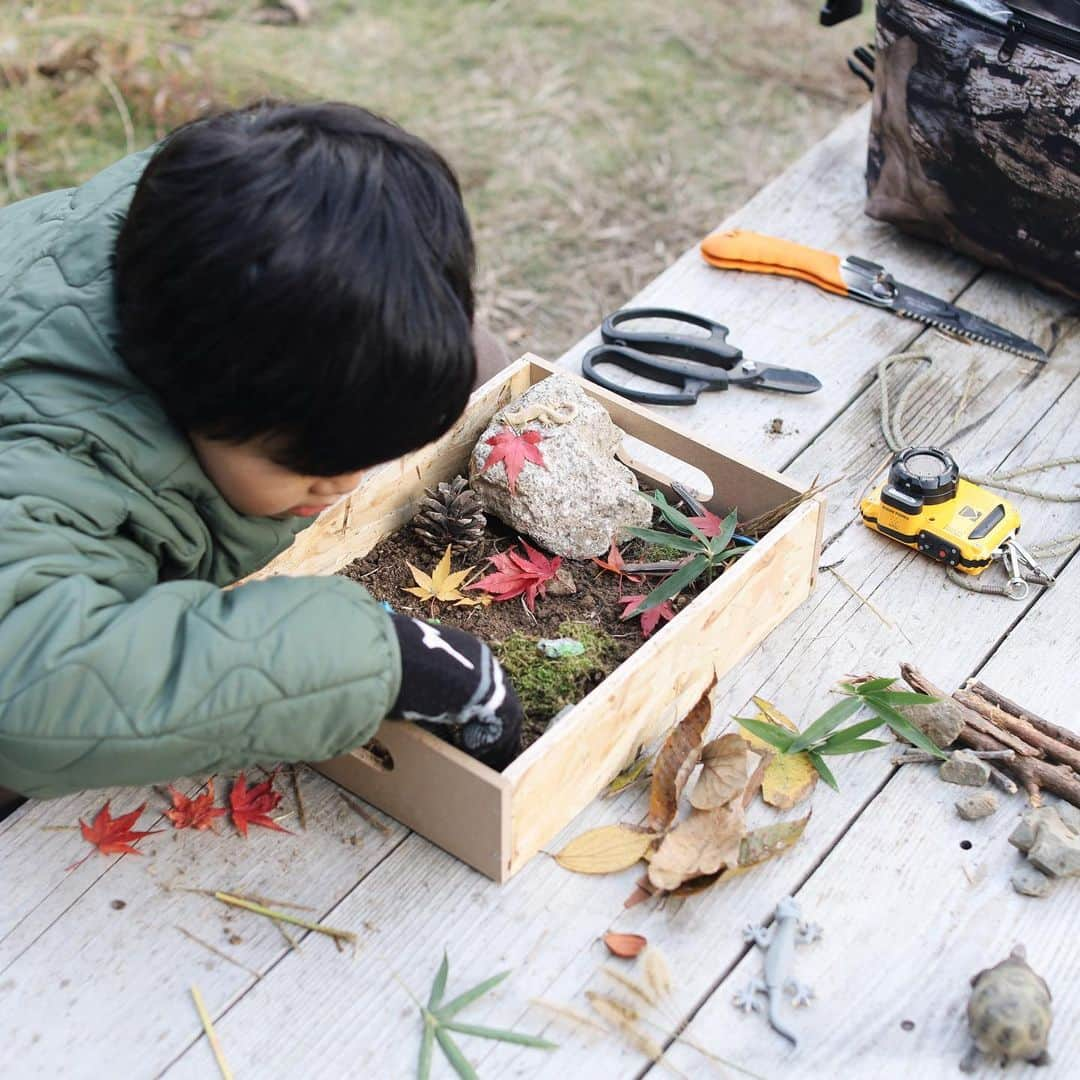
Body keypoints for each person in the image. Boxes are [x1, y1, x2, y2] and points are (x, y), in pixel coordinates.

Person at [0, 100, 522, 808]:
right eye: (307, 465)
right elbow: (31, 700)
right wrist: (377, 661)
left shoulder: (220, 237)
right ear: (184, 395)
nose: (346, 485)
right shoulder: (61, 460)